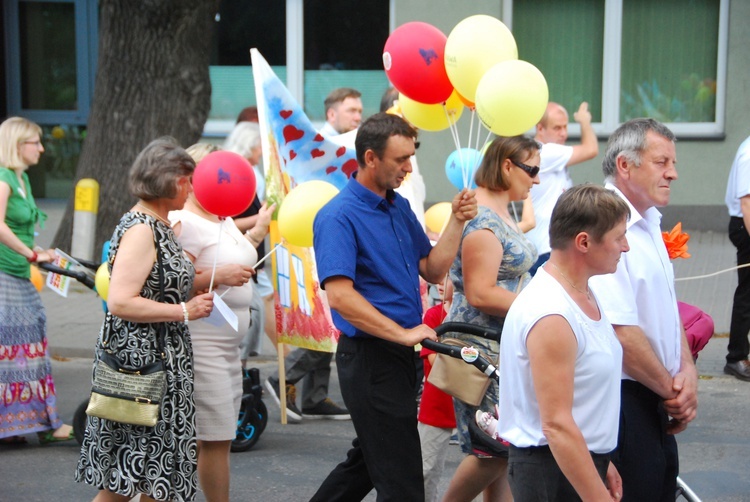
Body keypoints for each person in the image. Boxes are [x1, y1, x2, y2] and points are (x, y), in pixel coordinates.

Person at [309, 112, 477, 501]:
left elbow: (433, 270)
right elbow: (340, 297)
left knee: (368, 462)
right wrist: (403, 333)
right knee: (402, 481)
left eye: (411, 156)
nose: (409, 167)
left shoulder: (398, 206)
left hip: (398, 357)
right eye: (400, 159)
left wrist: (455, 220)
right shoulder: (338, 215)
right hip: (370, 358)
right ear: (370, 158)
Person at [75, 138, 214, 502]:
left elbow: (155, 286)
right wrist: (184, 310)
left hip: (159, 361)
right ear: (165, 181)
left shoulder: (159, 223)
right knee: (129, 475)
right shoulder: (142, 227)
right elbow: (120, 301)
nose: (191, 188)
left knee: (153, 475)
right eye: (186, 180)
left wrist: (188, 293)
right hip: (141, 367)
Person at [589, 118, 698, 501]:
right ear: (625, 165)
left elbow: (667, 312)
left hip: (654, 393)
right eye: (661, 162)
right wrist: (674, 391)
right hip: (623, 401)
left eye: (673, 162)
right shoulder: (602, 225)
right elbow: (622, 333)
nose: (673, 173)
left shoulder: (648, 220)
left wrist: (687, 371)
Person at [496, 184, 628, 501]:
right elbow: (555, 424)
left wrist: (599, 456)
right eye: (618, 237)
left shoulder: (580, 292)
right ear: (583, 242)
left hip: (570, 462)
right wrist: (595, 494)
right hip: (550, 473)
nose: (625, 247)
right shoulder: (551, 312)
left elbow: (582, 393)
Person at [170, 143, 273, 502]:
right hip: (201, 344)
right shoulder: (184, 221)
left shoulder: (221, 217)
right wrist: (220, 275)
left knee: (220, 436)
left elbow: (233, 253)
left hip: (227, 346)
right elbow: (171, 278)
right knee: (213, 437)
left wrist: (258, 233)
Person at [442, 135, 539, 502]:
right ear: (507, 166)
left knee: (503, 452)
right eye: (532, 170)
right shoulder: (483, 219)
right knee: (495, 447)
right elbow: (481, 292)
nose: (537, 179)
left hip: (497, 344)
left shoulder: (498, 212)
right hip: (482, 347)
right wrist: (538, 310)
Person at [265, 89, 366, 422]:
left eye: (360, 110)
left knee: (327, 320)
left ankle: (315, 395)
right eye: (351, 110)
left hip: (334, 237)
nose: (357, 116)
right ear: (332, 115)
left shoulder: (353, 148)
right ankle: (283, 377)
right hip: (307, 240)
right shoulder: (316, 147)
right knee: (322, 324)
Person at [0, 117, 74, 445]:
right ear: (18, 145)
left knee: (29, 348)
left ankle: (35, 423)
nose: (42, 148)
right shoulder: (2, 178)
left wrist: (37, 251)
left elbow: (20, 228)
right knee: (12, 349)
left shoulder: (21, 180)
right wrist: (28, 253)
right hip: (6, 273)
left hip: (18, 271)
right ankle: (31, 425)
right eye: (35, 143)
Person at [222, 121, 278, 361]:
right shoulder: (237, 174)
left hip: (250, 255)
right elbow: (227, 221)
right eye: (259, 147)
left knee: (258, 305)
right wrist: (260, 218)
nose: (261, 152)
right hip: (239, 254)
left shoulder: (244, 171)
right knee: (249, 312)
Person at [526, 102, 599, 275]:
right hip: (546, 247)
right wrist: (584, 121)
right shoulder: (546, 152)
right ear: (540, 128)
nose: (564, 133)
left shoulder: (538, 152)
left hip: (545, 246)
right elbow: (591, 149)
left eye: (566, 127)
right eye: (557, 128)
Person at [418, 277, 457, 502]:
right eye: (438, 277)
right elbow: (434, 361)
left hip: (471, 398)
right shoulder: (433, 315)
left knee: (491, 462)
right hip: (438, 399)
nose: (441, 283)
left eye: (449, 276)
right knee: (427, 468)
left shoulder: (478, 313)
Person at [723, 135, 750, 380]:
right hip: (746, 226)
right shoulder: (749, 153)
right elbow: (747, 204)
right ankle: (736, 357)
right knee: (747, 292)